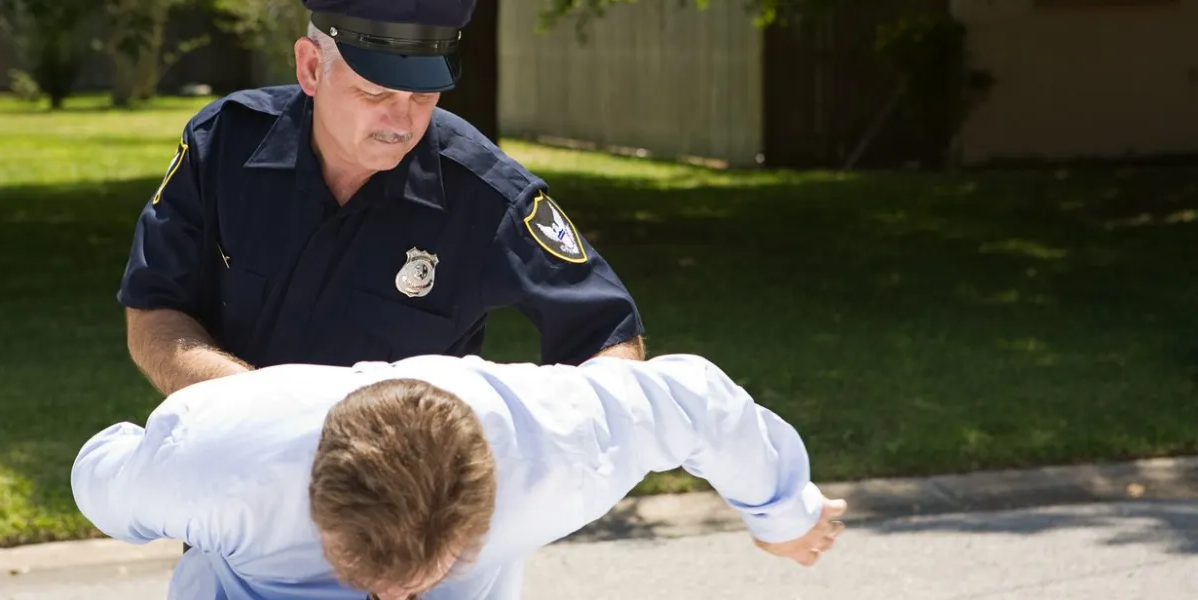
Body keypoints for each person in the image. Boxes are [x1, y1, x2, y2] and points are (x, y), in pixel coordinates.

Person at [117, 0, 646, 401]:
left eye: (423, 95)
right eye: (374, 93)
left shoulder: (486, 194)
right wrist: (256, 409)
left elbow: (609, 338)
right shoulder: (224, 144)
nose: (401, 121)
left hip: (406, 500)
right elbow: (154, 309)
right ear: (311, 68)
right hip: (231, 475)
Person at [72, 353, 849, 600]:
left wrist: (783, 513)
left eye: (423, 576)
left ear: (489, 499)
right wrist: (146, 463)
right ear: (315, 495)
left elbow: (696, 400)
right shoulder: (217, 462)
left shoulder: (552, 449)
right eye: (362, 568)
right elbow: (100, 473)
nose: (388, 599)